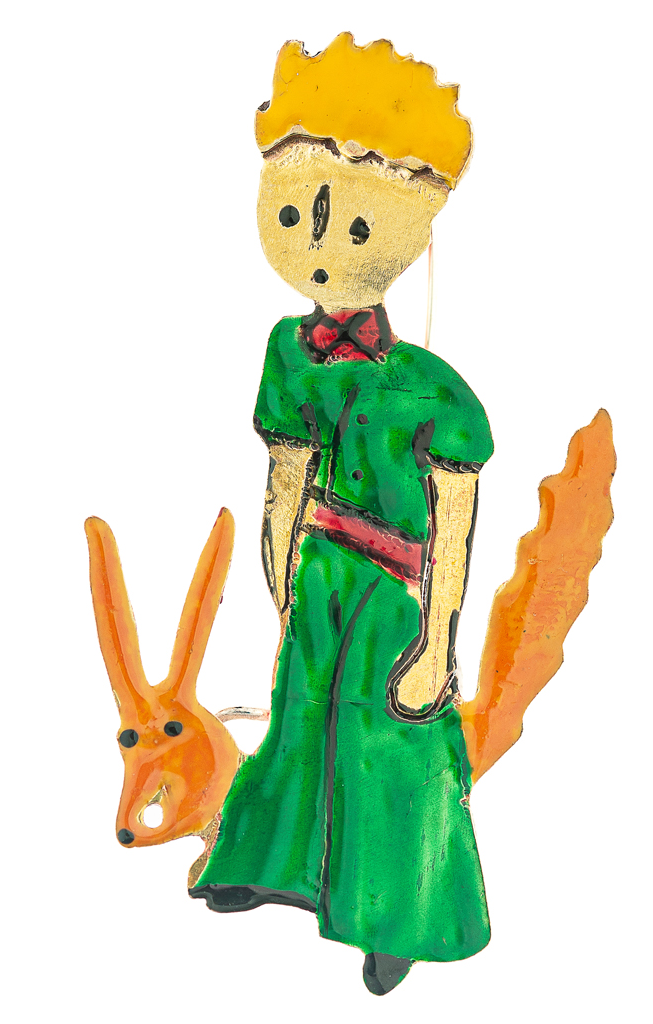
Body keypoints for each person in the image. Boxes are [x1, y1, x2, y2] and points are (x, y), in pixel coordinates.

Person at [189, 34, 493, 995]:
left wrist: (439, 642)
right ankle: (272, 861)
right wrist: (281, 573)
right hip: (319, 573)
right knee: (299, 720)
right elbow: (285, 472)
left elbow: (453, 522)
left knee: (389, 746)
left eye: (351, 226)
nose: (319, 247)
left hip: (393, 592)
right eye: (294, 216)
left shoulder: (435, 389)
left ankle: (400, 914)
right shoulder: (289, 350)